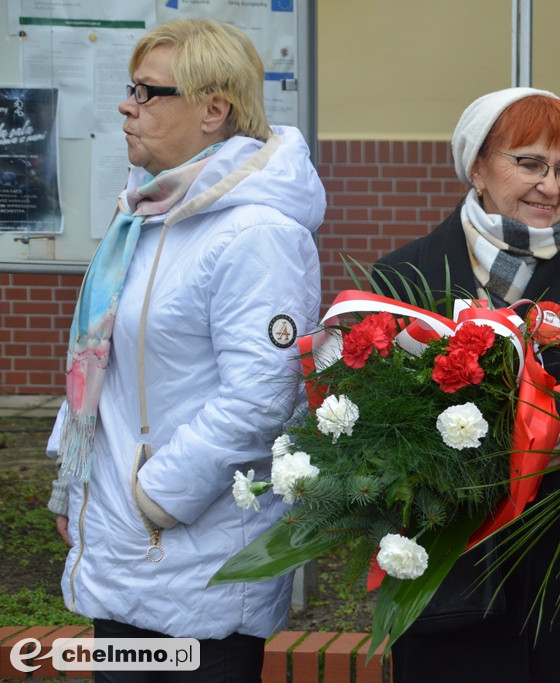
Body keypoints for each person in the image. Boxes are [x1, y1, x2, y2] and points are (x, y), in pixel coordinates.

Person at [44, 18, 324, 681]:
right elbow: (102, 358)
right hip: (124, 552)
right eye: (129, 88)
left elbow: (265, 393)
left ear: (213, 110)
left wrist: (155, 499)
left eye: (148, 91)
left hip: (194, 561)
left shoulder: (255, 232)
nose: (126, 104)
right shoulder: (149, 212)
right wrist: (75, 481)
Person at [372, 87, 560, 683]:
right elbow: (374, 431)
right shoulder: (404, 275)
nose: (551, 186)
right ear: (477, 168)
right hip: (451, 579)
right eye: (530, 163)